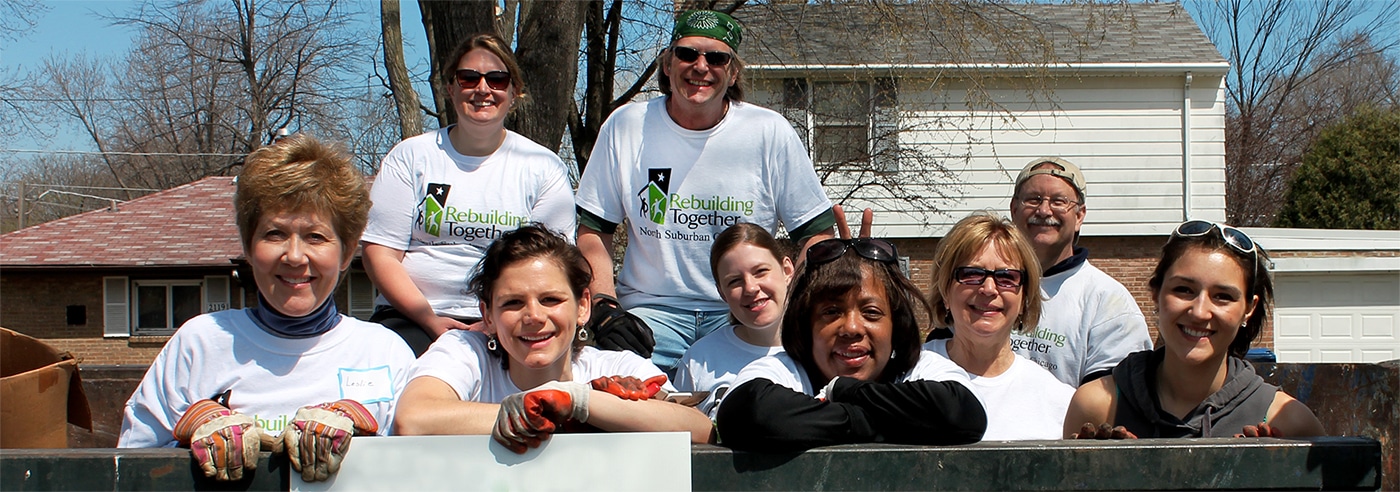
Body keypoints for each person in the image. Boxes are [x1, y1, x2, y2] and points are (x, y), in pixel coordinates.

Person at [118, 134, 416, 483]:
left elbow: (415, 474)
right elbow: (129, 470)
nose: (293, 256)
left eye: (316, 237)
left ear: (347, 253)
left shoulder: (384, 351)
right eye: (274, 234)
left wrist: (367, 442)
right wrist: (183, 441)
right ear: (248, 245)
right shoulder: (199, 342)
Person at [573, 10, 835, 376]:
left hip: (741, 310)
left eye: (716, 58)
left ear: (733, 72)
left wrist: (790, 302)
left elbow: (816, 234)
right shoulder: (626, 126)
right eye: (687, 54)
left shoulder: (768, 131)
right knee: (607, 399)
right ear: (667, 64)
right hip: (649, 315)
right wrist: (603, 304)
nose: (700, 66)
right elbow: (593, 230)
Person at [391, 225, 713, 451]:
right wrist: (539, 409)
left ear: (583, 305)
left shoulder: (615, 362)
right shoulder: (462, 350)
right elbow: (414, 418)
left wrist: (577, 400)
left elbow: (699, 428)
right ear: (487, 315)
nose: (533, 316)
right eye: (513, 303)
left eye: (551, 300)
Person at [362, 33, 576, 356]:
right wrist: (430, 319)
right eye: (468, 78)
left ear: (514, 91)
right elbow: (380, 253)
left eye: (497, 79)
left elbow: (551, 264)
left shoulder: (543, 167)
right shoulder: (411, 157)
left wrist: (496, 319)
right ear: (450, 88)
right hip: (412, 318)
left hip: (511, 320)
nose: (483, 88)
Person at [715, 236, 987, 452]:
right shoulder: (780, 370)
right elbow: (746, 412)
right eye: (831, 312)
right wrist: (876, 420)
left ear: (896, 325)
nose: (852, 329)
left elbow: (963, 414)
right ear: (805, 325)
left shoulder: (922, 367)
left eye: (871, 313)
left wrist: (845, 390)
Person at [1063, 220, 1325, 439]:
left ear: (1249, 308)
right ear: (1156, 293)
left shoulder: (1288, 422)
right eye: (1183, 290)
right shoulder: (1098, 405)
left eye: (1223, 296)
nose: (1199, 312)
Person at [923, 212, 1073, 440]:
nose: (989, 289)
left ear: (1024, 298)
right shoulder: (907, 374)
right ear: (945, 291)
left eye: (1007, 277)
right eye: (972, 274)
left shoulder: (1061, 403)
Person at [1005, 157, 1152, 387]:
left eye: (1058, 201)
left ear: (1079, 216)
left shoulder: (1108, 302)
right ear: (1014, 209)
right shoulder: (983, 286)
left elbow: (1113, 405)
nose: (1044, 210)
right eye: (1033, 199)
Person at [674, 223, 794, 417]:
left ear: (787, 270)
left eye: (761, 271)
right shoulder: (701, 358)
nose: (750, 288)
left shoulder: (818, 350)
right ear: (722, 292)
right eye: (734, 281)